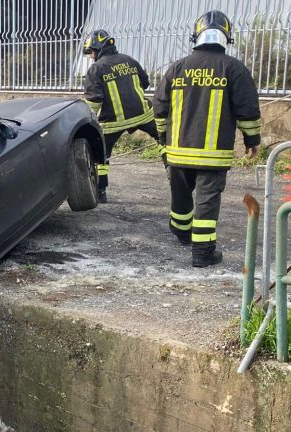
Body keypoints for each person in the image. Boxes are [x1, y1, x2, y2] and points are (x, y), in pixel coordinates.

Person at [153, 10, 261, 267]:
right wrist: (251, 140)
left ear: (196, 35)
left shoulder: (177, 67)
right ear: (227, 36)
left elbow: (159, 106)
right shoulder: (234, 68)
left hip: (177, 151)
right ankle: (202, 253)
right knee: (206, 201)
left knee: (181, 196)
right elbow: (247, 109)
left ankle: (181, 233)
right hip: (212, 155)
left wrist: (162, 136)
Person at [83, 29, 159, 203]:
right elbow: (145, 82)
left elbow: (94, 101)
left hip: (113, 123)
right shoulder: (129, 60)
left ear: (98, 48)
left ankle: (101, 192)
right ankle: (172, 172)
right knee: (163, 139)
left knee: (101, 155)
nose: (90, 56)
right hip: (143, 115)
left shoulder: (96, 69)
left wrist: (88, 121)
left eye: (91, 52)